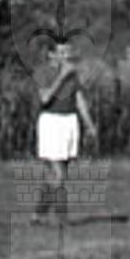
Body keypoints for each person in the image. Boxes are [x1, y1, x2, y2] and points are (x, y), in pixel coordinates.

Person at [32, 35, 99, 223]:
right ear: (52, 54)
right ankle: (61, 215)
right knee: (58, 173)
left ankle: (38, 214)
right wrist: (61, 77)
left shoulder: (73, 75)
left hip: (69, 122)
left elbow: (79, 101)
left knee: (58, 174)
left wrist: (89, 124)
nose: (66, 56)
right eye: (61, 52)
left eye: (67, 52)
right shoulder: (43, 72)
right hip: (51, 121)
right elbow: (45, 98)